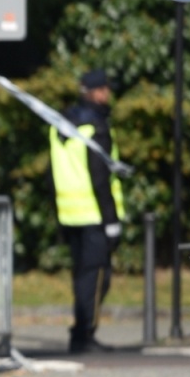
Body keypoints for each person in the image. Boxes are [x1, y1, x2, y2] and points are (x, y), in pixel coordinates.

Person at [48, 68, 125, 353]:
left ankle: (79, 333)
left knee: (81, 277)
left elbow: (51, 172)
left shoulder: (61, 123)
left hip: (69, 214)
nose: (108, 94)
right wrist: (111, 221)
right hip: (94, 215)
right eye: (105, 89)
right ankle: (84, 335)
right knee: (95, 280)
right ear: (96, 92)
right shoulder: (97, 127)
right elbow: (99, 177)